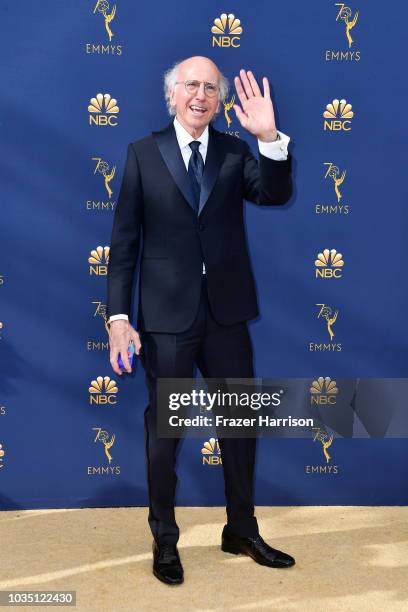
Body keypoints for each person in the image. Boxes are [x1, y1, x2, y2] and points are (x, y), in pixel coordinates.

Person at [106, 55, 295, 585]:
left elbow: (274, 193)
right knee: (164, 433)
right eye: (191, 85)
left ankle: (241, 530)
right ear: (172, 95)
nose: (201, 95)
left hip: (228, 314)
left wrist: (271, 136)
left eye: (212, 88)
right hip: (166, 319)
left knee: (239, 425)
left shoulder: (237, 151)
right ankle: (165, 540)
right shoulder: (143, 154)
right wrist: (118, 317)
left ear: (220, 101)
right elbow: (123, 246)